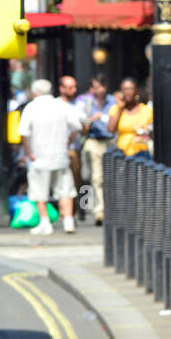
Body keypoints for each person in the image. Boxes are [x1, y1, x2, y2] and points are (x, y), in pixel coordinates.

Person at [17, 79, 81, 235]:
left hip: (39, 156)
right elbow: (77, 126)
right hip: (60, 154)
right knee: (65, 189)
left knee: (39, 191)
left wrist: (28, 152)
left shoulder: (31, 107)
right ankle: (68, 220)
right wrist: (68, 141)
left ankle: (45, 222)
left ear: (35, 92)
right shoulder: (61, 106)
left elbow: (24, 133)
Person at [76, 74, 116, 225]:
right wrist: (92, 119)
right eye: (94, 87)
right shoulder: (85, 102)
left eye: (99, 86)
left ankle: (110, 209)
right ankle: (99, 211)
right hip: (93, 141)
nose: (96, 90)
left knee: (110, 177)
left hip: (110, 141)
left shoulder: (113, 101)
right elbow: (80, 123)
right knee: (96, 177)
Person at [57, 75, 85, 211]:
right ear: (61, 89)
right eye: (69, 87)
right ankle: (66, 210)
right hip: (58, 148)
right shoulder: (55, 105)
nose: (73, 90)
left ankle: (79, 207)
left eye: (74, 87)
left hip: (75, 148)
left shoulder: (80, 104)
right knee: (61, 181)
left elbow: (83, 127)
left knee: (77, 179)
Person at [107, 78, 152, 157]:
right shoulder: (116, 109)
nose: (127, 92)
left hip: (142, 154)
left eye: (130, 89)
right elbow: (111, 129)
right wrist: (120, 108)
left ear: (136, 91)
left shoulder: (147, 110)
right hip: (122, 154)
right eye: (125, 89)